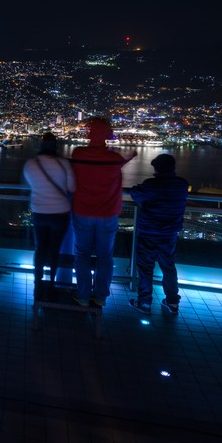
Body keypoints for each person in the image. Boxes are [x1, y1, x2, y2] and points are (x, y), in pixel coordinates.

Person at [70, 118, 136, 307]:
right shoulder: (113, 159)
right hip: (108, 214)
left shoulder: (78, 153)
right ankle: (100, 297)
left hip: (82, 211)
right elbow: (125, 159)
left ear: (89, 134)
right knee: (105, 257)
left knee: (82, 254)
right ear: (108, 135)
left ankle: (83, 295)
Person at [129, 154, 189, 316]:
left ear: (156, 169)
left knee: (145, 268)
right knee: (168, 267)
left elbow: (135, 194)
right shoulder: (182, 184)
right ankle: (173, 302)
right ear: (173, 168)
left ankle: (145, 303)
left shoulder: (151, 185)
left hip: (148, 232)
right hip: (169, 234)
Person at [22, 133, 76, 301]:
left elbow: (26, 186)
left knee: (40, 250)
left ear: (40, 145)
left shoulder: (31, 164)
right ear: (56, 146)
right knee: (55, 250)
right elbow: (72, 188)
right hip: (60, 213)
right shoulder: (64, 163)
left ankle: (37, 286)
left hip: (39, 212)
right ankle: (51, 283)